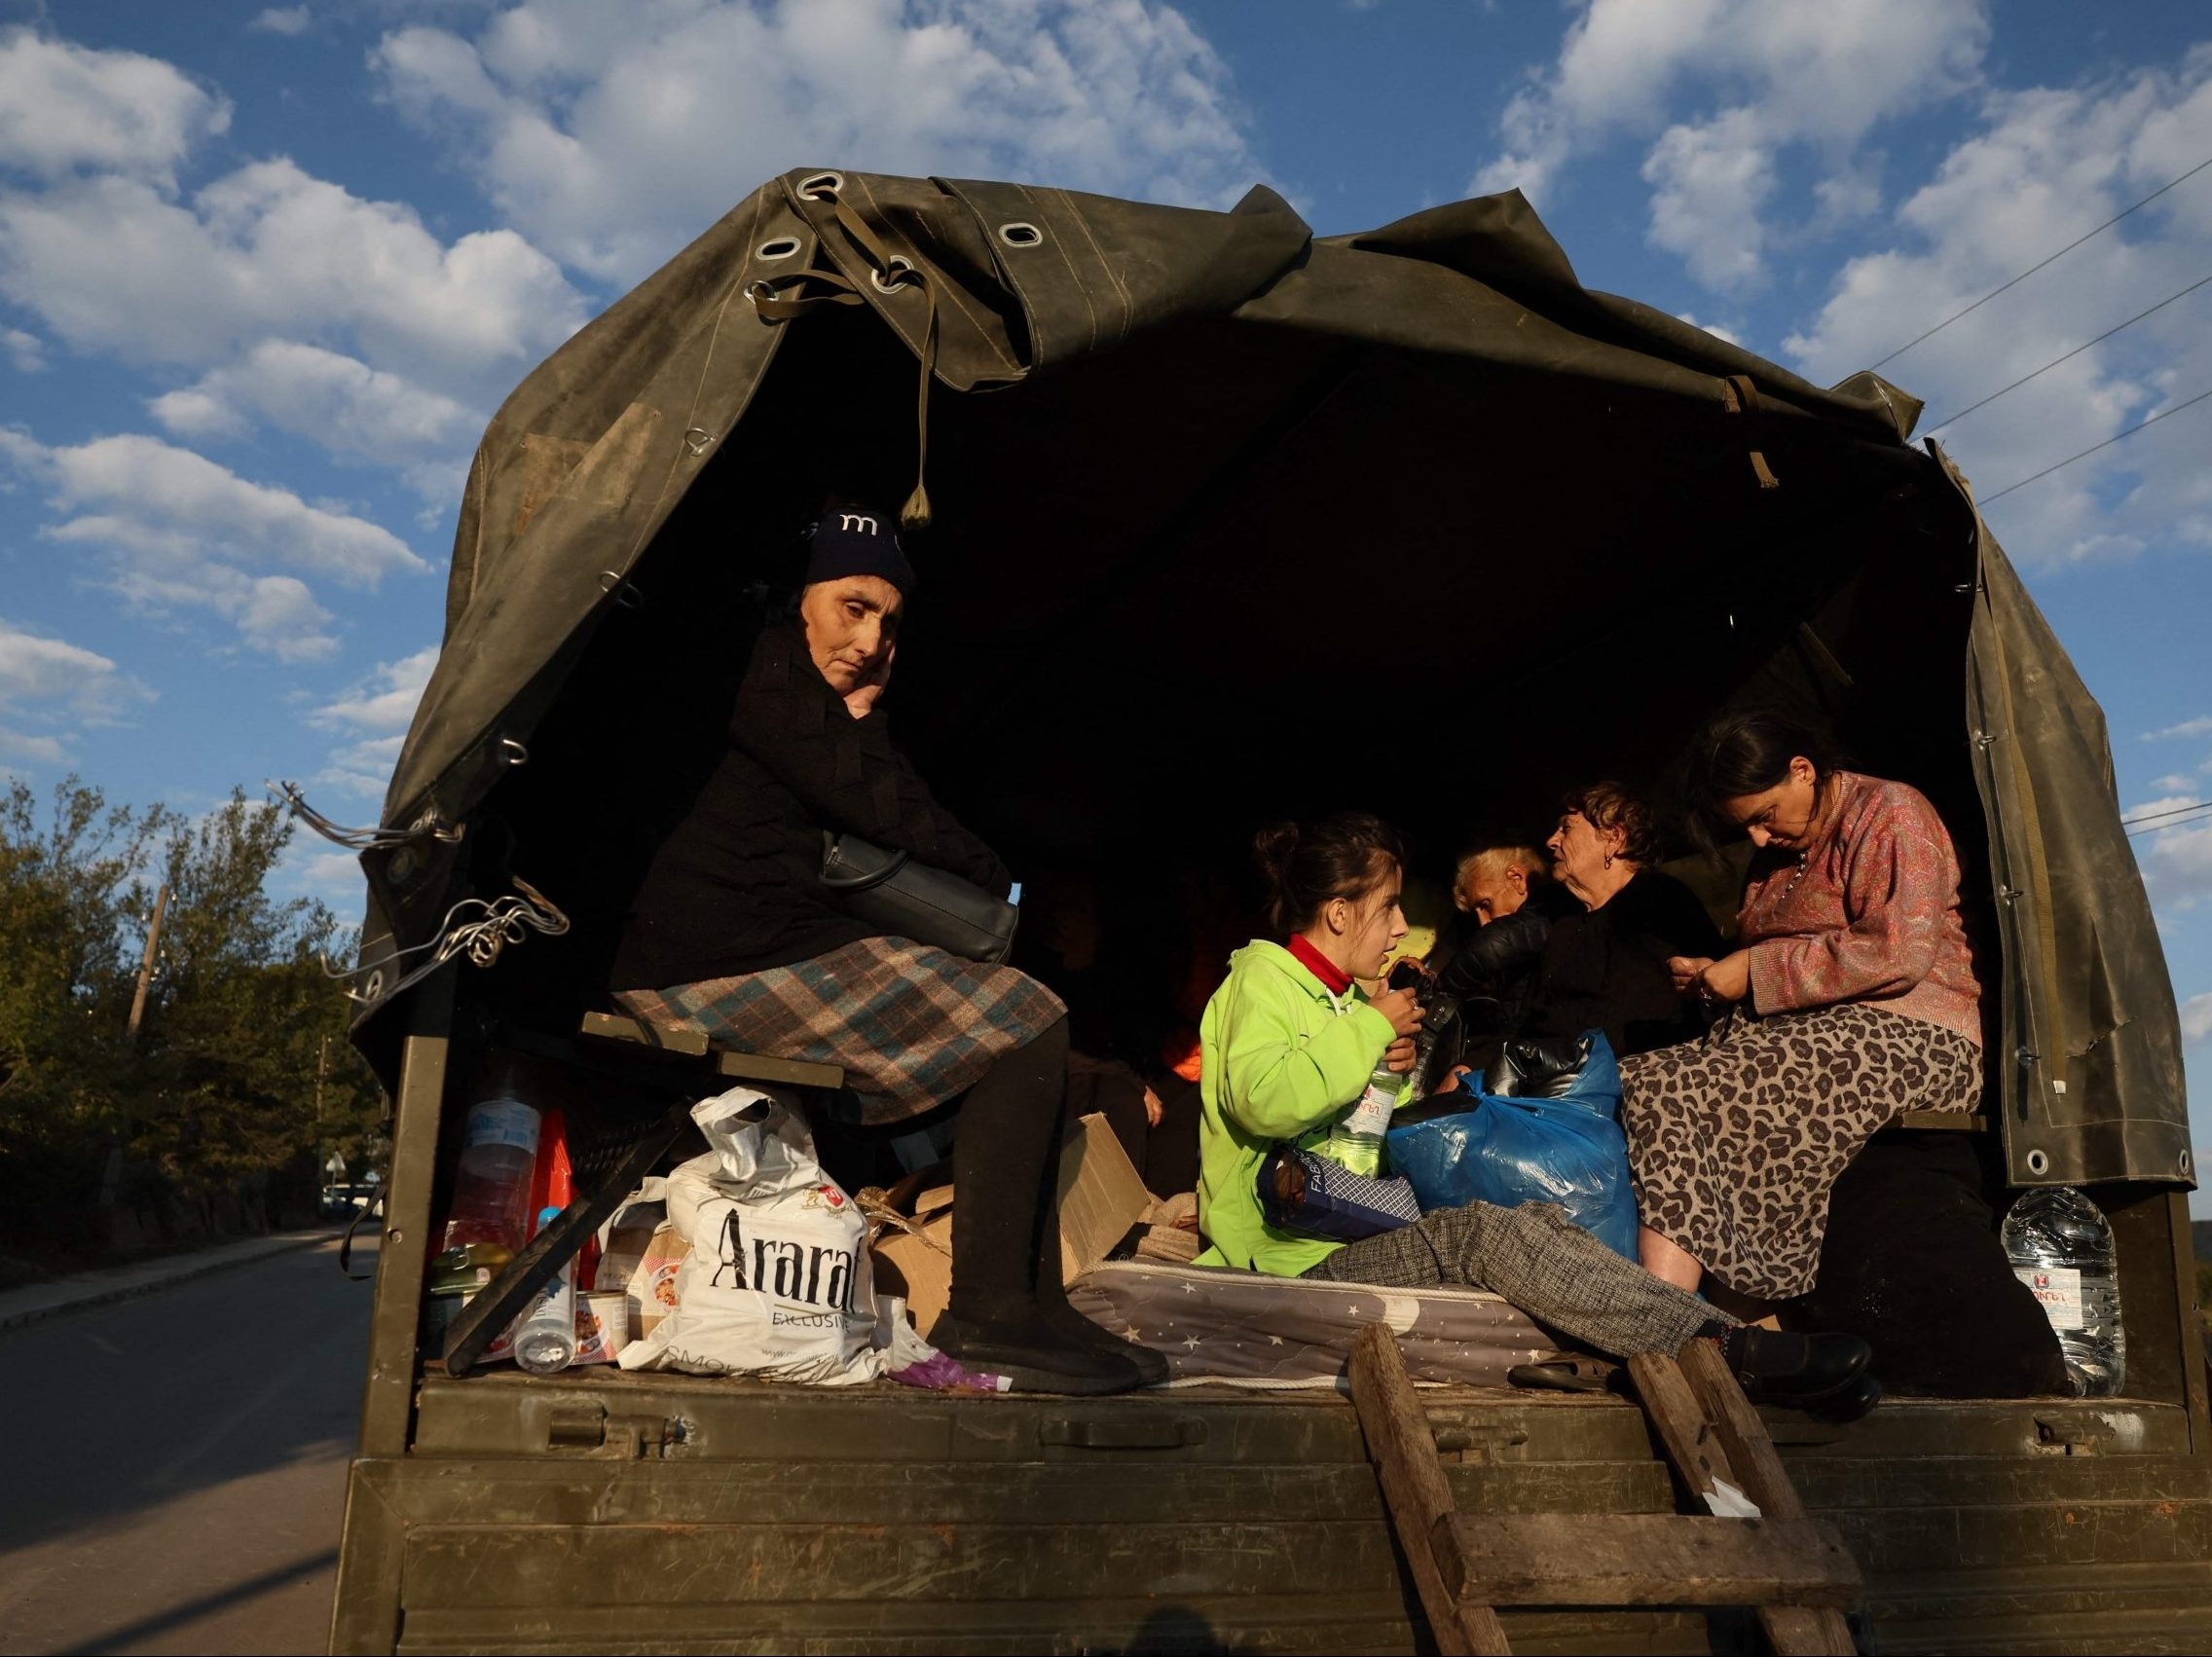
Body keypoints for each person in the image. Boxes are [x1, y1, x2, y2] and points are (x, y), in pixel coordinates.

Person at [608, 501, 1152, 1395]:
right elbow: (887, 811)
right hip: (707, 965)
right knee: (1024, 1023)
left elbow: (873, 795)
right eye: (851, 607)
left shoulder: (814, 699)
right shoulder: (766, 667)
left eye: (888, 621)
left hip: (766, 944)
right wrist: (996, 874)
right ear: (800, 603)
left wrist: (860, 723)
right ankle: (989, 1314)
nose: (870, 638)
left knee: (1029, 1017)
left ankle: (1034, 1305)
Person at [1195, 811, 1875, 1407]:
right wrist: (1370, 1032)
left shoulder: (1347, 1001)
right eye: (1389, 907)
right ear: (1340, 914)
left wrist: (1398, 1082)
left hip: (1355, 1228)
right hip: (1286, 1264)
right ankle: (1727, 1351)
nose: (1402, 927)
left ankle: (1714, 1342)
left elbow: (1357, 1130)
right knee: (1477, 1237)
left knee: (1532, 1217)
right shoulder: (1262, 982)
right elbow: (1266, 1104)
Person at [1622, 712, 1985, 1313]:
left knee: (1675, 1091)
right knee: (1635, 1081)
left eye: (1764, 816)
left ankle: (1663, 1320)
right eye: (1747, 828)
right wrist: (1717, 975)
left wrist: (1755, 970)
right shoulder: (1777, 853)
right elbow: (1782, 953)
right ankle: (1712, 1320)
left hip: (1917, 1037)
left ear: (1803, 771)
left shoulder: (1891, 811)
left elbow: (1901, 950)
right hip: (1812, 1032)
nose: (1760, 839)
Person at [1525, 782, 1722, 1057]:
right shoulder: (1563, 922)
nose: (1552, 841)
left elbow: (1632, 1018)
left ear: (1614, 838)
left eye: (1566, 828)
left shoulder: (1658, 902)